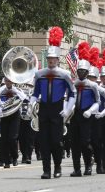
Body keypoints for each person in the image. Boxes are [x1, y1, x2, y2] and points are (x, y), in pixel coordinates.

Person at [29, 27, 75, 179]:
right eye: (48, 59)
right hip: (44, 108)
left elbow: (72, 93)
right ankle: (46, 170)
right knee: (44, 141)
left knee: (56, 141)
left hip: (57, 108)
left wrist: (68, 109)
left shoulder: (64, 74)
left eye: (53, 59)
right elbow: (35, 93)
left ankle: (57, 167)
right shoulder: (39, 74)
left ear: (57, 59)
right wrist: (32, 104)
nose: (50, 61)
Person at [66, 42, 99, 176]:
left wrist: (90, 111)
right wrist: (67, 111)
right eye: (79, 71)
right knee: (74, 143)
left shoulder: (92, 85)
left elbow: (97, 101)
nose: (80, 73)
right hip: (74, 115)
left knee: (85, 142)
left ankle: (88, 166)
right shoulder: (72, 85)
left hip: (86, 116)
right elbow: (68, 98)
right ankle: (77, 169)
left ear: (87, 72)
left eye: (83, 71)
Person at [0, 76, 27, 168]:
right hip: (4, 115)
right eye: (6, 81)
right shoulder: (1, 90)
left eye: (9, 81)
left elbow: (24, 98)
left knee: (12, 138)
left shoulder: (17, 90)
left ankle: (15, 157)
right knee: (4, 139)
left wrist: (14, 90)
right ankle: (7, 161)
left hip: (15, 115)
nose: (8, 83)